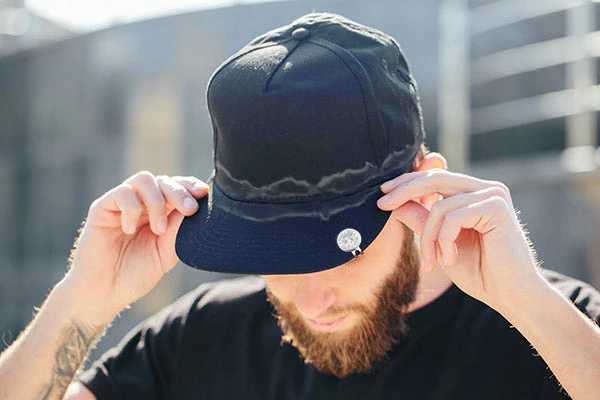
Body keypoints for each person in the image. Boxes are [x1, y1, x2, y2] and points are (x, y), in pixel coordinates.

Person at [1, 12, 599, 400]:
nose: (311, 301)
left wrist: (529, 305)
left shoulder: (555, 330)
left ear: (424, 188)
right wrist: (83, 300)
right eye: (275, 254)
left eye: (339, 250)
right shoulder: (201, 338)